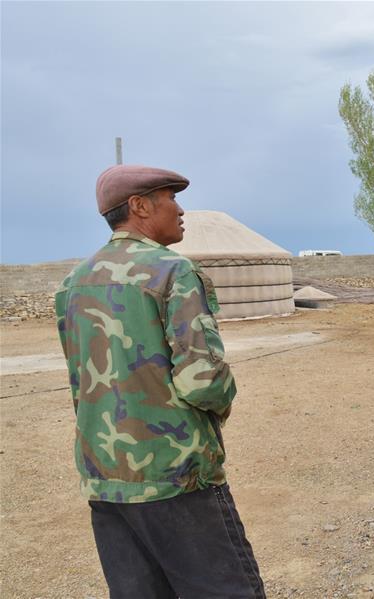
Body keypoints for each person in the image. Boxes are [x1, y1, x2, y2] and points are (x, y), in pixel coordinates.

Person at [55, 164, 265, 598]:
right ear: (140, 206)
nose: (181, 209)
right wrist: (219, 410)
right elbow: (203, 380)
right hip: (174, 474)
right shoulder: (171, 271)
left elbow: (82, 377)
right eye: (171, 197)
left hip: (106, 477)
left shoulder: (74, 282)